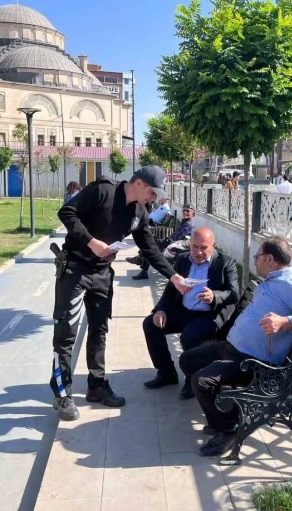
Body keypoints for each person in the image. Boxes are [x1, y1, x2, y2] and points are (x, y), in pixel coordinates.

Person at [51, 165, 190, 421]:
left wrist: (173, 275)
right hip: (75, 270)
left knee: (99, 329)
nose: (153, 197)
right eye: (151, 191)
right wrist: (91, 242)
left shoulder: (139, 212)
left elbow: (149, 248)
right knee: (66, 333)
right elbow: (66, 212)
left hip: (102, 274)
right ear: (138, 183)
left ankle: (97, 385)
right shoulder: (104, 191)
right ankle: (62, 394)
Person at [179, 236, 292, 457]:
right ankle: (219, 416)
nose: (255, 261)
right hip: (234, 349)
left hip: (253, 363)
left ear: (269, 259)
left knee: (201, 381)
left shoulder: (290, 285)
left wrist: (285, 322)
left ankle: (229, 429)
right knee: (188, 360)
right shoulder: (272, 281)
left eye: (257, 257)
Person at [142, 227, 239, 399]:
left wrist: (214, 296)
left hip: (210, 315)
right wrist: (161, 309)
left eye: (204, 247)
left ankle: (191, 381)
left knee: (189, 336)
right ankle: (166, 373)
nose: (199, 252)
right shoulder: (183, 259)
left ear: (213, 246)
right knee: (150, 324)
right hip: (184, 311)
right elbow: (171, 288)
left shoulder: (226, 262)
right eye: (195, 247)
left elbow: (234, 293)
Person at [131, 204, 196, 280]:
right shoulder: (185, 222)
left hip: (175, 245)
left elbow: (177, 237)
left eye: (188, 211)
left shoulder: (188, 224)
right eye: (184, 211)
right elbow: (176, 235)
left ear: (193, 214)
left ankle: (140, 260)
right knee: (150, 244)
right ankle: (140, 261)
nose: (185, 212)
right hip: (172, 242)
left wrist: (168, 238)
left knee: (150, 246)